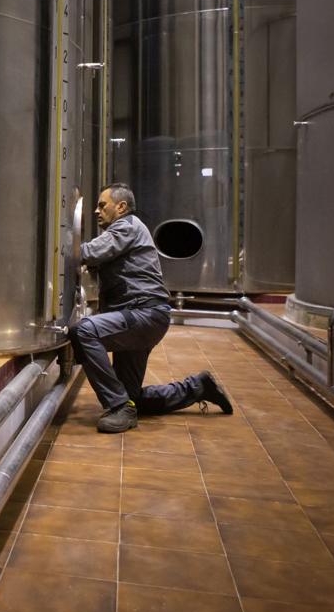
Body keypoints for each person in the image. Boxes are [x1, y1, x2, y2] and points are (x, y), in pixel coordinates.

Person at [70, 183, 232, 433]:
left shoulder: (126, 225)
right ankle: (197, 387)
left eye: (102, 205)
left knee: (84, 331)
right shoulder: (126, 231)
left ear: (121, 207)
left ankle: (118, 407)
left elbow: (91, 252)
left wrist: (59, 249)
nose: (96, 211)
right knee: (133, 396)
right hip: (142, 317)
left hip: (142, 315)